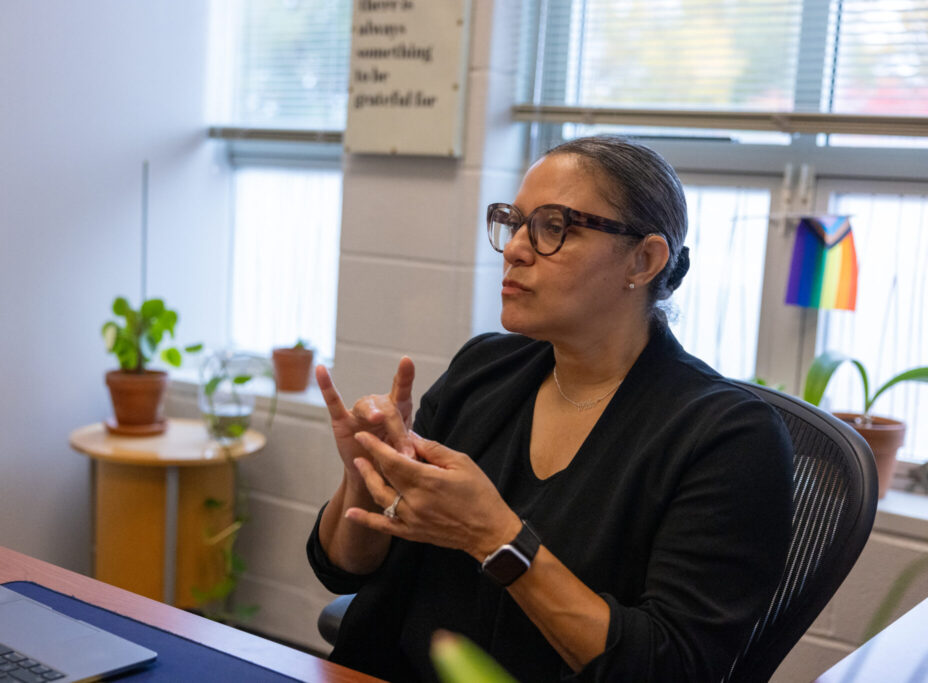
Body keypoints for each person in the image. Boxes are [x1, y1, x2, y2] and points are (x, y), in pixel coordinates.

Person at [306, 135, 792, 682]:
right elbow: (341, 568)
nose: (515, 247)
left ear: (645, 259)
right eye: (515, 222)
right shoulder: (484, 370)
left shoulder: (728, 438)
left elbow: (670, 667)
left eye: (554, 227)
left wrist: (495, 537)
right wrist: (363, 477)